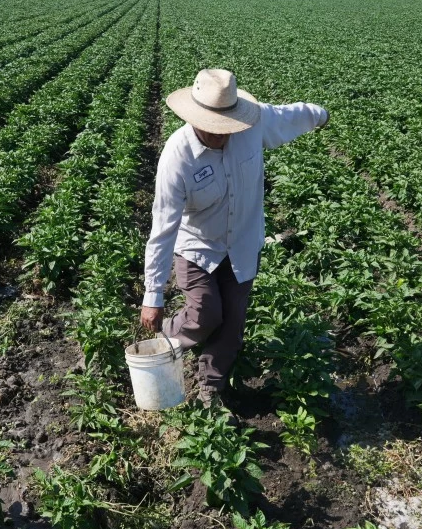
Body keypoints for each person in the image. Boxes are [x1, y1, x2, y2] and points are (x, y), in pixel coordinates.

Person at [140, 68, 328, 406]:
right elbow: (163, 227)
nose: (221, 135)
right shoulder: (177, 157)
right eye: (212, 128)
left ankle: (211, 388)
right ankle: (172, 334)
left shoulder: (254, 124)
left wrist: (320, 115)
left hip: (242, 244)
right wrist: (152, 295)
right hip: (196, 247)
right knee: (207, 313)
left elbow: (289, 116)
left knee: (232, 325)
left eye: (227, 127)